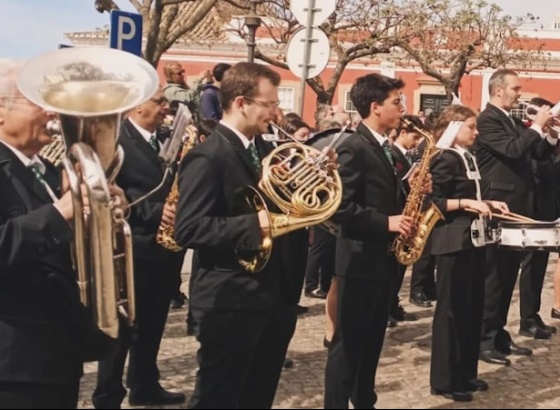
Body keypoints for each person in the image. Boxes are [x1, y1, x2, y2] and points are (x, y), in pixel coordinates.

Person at [174, 62, 320, 408]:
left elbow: (280, 206)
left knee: (258, 394)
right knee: (218, 397)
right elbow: (189, 228)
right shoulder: (207, 156)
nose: (275, 112)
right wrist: (256, 225)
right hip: (231, 299)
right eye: (270, 104)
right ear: (241, 103)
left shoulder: (266, 152)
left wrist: (307, 182)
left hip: (272, 294)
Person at [0, 60, 127, 408]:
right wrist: (60, 212)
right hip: (14, 362)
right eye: (35, 101)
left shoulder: (47, 170)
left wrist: (101, 214)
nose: (50, 112)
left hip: (56, 351)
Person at [323, 73, 428, 409]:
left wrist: (412, 193)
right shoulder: (354, 146)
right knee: (348, 344)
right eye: (397, 102)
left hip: (381, 260)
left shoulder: (382, 147)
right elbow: (340, 207)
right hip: (358, 260)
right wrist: (387, 222)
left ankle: (364, 399)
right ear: (375, 107)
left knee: (371, 342)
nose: (403, 108)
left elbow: (383, 196)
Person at [92, 88, 186, 408]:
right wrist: (155, 212)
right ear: (135, 106)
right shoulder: (115, 141)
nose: (164, 108)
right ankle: (107, 394)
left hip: (162, 248)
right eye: (158, 101)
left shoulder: (163, 139)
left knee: (153, 319)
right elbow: (109, 194)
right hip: (130, 246)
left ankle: (144, 383)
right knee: (121, 326)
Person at [475, 68, 556, 366]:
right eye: (515, 88)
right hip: (500, 205)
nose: (519, 94)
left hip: (517, 207)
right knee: (494, 277)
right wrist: (536, 126)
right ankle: (484, 339)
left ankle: (498, 334)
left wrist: (547, 136)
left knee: (507, 275)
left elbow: (534, 154)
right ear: (498, 90)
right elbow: (512, 150)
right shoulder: (487, 120)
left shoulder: (507, 119)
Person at [429, 105, 509, 402]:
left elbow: (471, 195)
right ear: (452, 127)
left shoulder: (468, 157)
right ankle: (444, 379)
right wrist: (467, 204)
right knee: (451, 311)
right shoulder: (443, 158)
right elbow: (434, 201)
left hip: (475, 240)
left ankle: (465, 372)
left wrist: (488, 202)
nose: (476, 133)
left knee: (472, 308)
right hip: (453, 241)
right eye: (470, 127)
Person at [517, 97, 558, 339]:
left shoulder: (546, 140)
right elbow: (540, 169)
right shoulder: (528, 139)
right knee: (530, 267)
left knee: (539, 267)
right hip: (532, 211)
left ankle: (532, 314)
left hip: (546, 212)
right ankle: (527, 319)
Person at [388, 115, 424, 326]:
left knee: (399, 268)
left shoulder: (407, 156)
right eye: (414, 136)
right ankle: (387, 309)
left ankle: (393, 305)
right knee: (393, 269)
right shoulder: (393, 154)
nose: (417, 142)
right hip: (398, 214)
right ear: (402, 133)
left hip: (407, 214)